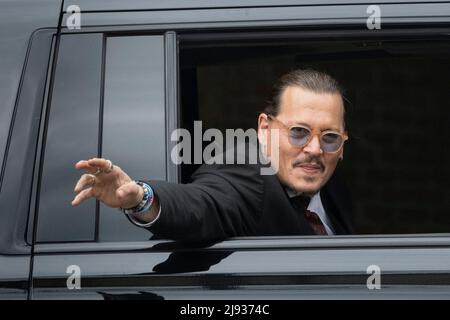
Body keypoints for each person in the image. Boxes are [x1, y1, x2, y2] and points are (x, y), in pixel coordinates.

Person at [71, 69, 354, 242]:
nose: (316, 149)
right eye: (299, 132)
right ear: (265, 129)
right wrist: (141, 198)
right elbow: (201, 204)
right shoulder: (245, 174)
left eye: (330, 137)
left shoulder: (331, 183)